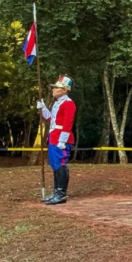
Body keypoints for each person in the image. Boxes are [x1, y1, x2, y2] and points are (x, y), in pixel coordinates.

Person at [36, 75, 76, 205]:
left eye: (57, 88)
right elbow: (51, 119)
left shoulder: (68, 103)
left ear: (64, 90)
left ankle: (61, 193)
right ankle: (56, 191)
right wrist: (43, 108)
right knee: (55, 165)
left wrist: (62, 140)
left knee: (60, 164)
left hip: (61, 138)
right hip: (53, 136)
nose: (53, 90)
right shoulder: (57, 103)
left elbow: (68, 123)